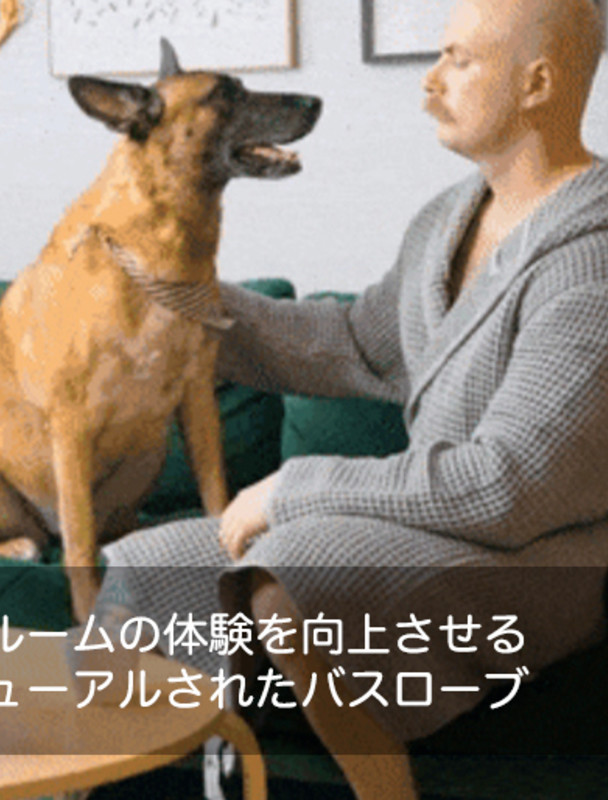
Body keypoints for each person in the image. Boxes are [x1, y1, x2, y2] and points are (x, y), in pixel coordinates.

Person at [93, 1, 608, 798]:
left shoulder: (591, 257)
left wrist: (292, 489)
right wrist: (179, 298)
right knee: (140, 569)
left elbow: (509, 483)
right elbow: (355, 343)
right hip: (430, 525)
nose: (430, 82)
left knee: (291, 575)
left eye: (459, 59)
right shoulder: (446, 220)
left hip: (545, 552)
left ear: (537, 84)